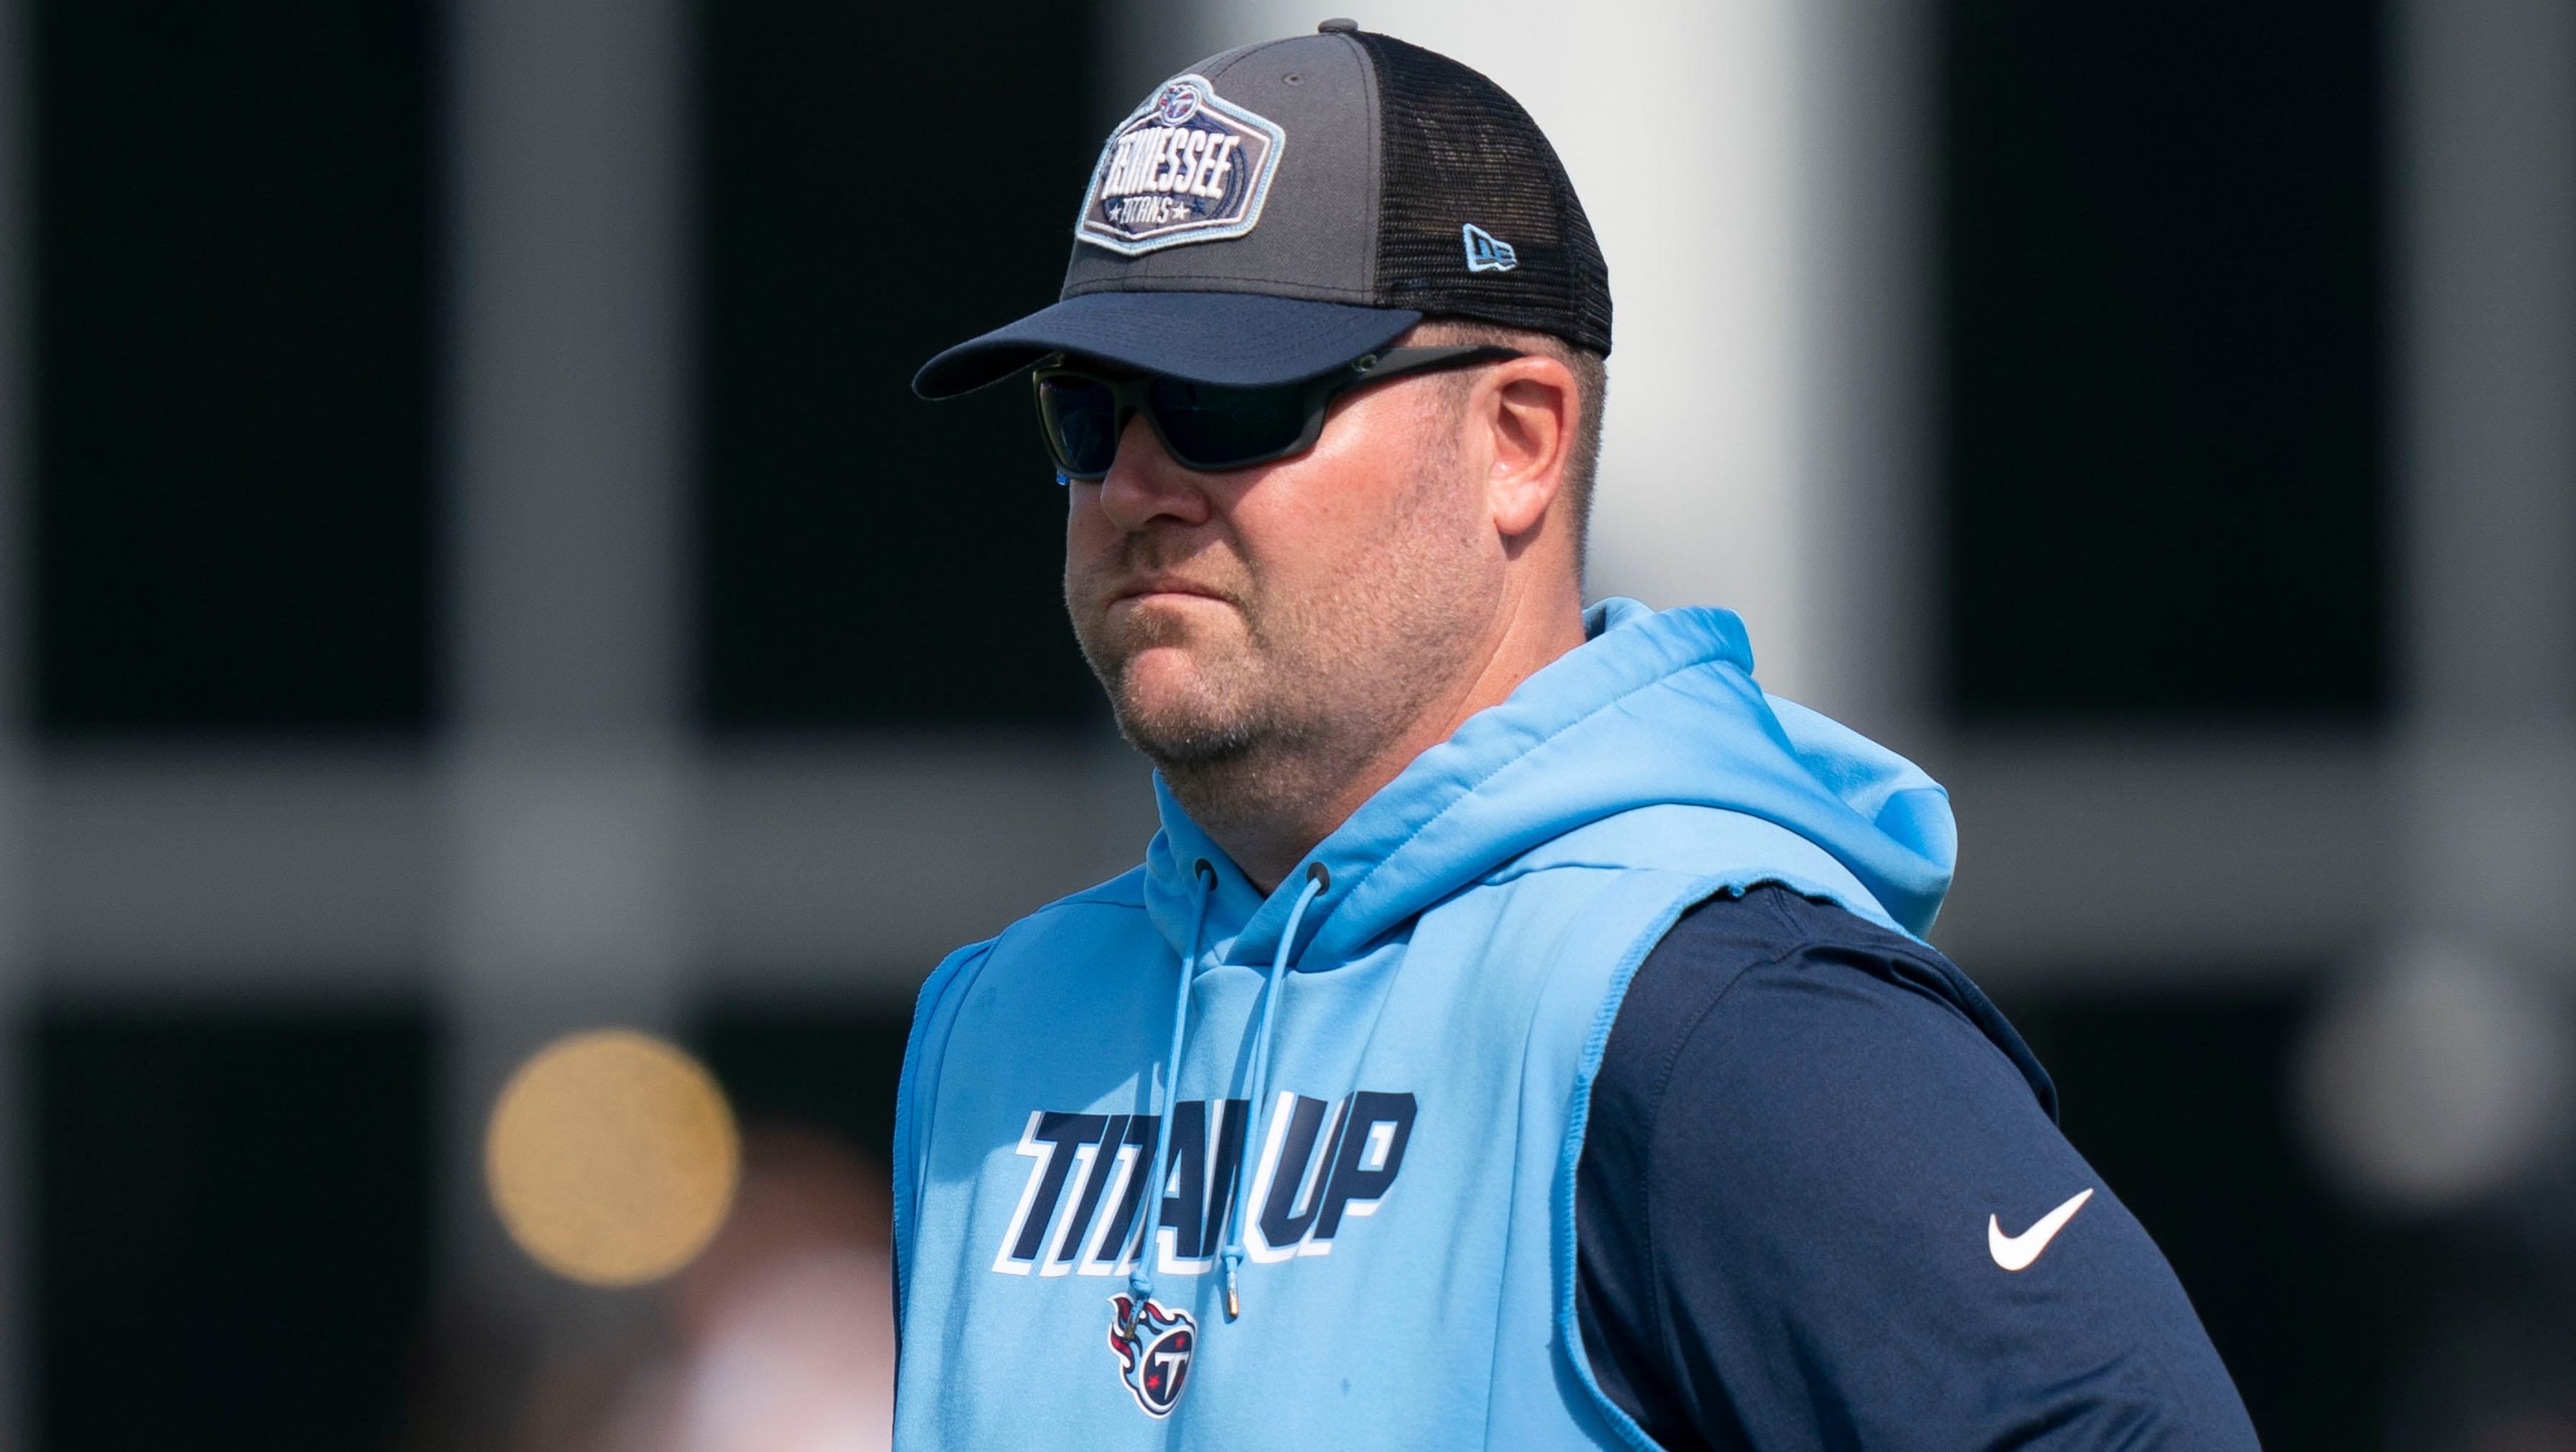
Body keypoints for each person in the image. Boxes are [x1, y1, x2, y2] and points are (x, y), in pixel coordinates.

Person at [891, 21, 2257, 1450]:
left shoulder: (1713, 1009)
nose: (1133, 485)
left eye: (1230, 401)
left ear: (1519, 438)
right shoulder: (997, 1027)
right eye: (1087, 412)